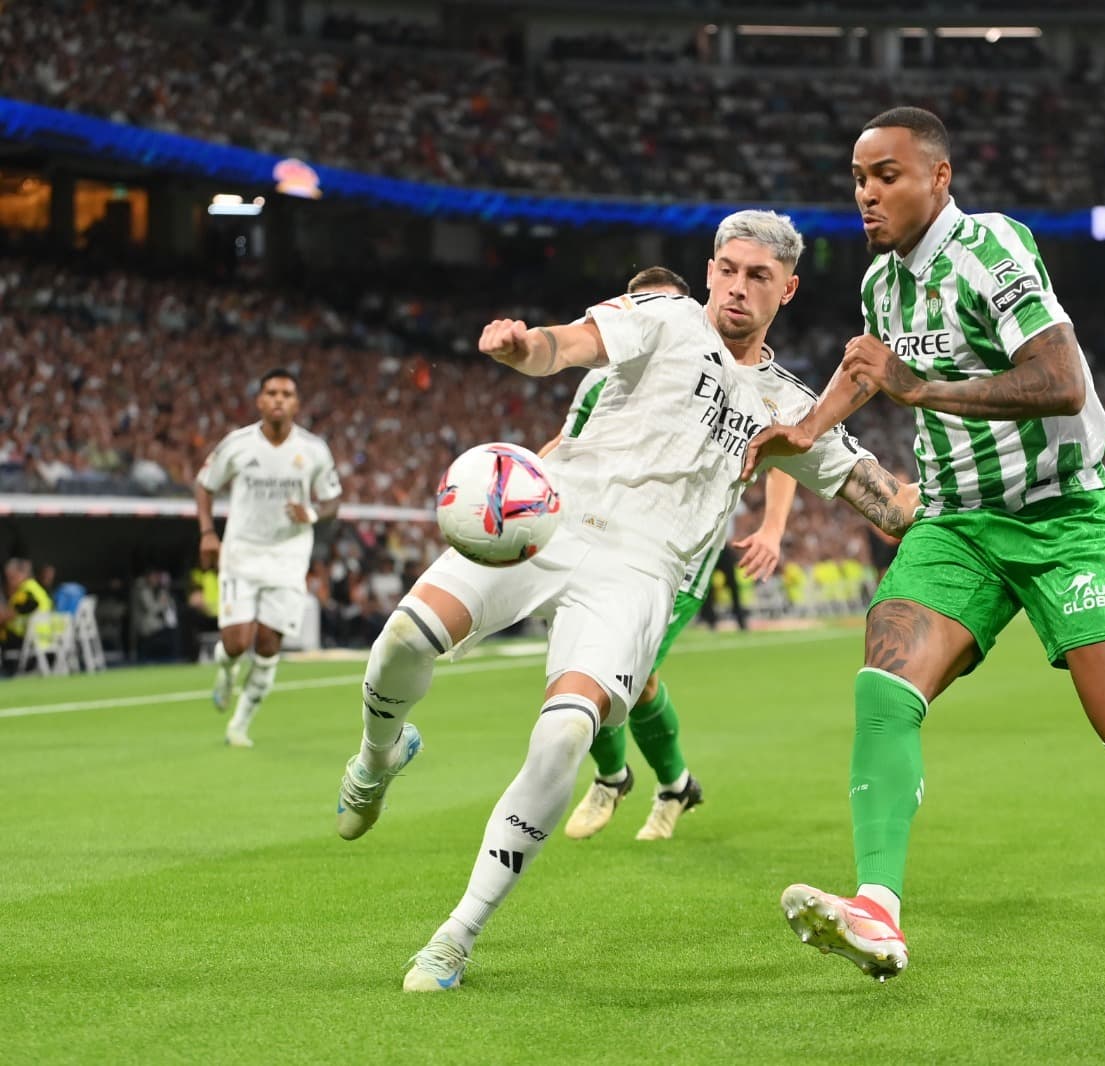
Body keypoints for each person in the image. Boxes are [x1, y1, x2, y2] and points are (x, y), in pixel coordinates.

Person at [744, 107, 1105, 981]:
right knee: (884, 678)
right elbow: (870, 371)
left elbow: (1061, 382)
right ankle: (877, 908)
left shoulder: (993, 250)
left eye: (887, 176)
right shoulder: (881, 286)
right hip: (957, 525)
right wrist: (803, 428)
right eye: (859, 178)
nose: (867, 194)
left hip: (1061, 517)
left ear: (938, 178)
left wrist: (922, 388)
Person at [334, 210, 923, 992]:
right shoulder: (667, 317)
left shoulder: (793, 407)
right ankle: (377, 760)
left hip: (639, 572)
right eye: (728, 268)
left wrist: (971, 464)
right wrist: (524, 347)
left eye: (758, 276)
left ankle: (455, 936)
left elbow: (888, 506)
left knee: (564, 738)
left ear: (789, 288)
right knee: (403, 640)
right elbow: (569, 343)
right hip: (554, 515)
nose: (737, 287)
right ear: (709, 270)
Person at [540, 265, 799, 844]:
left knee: (620, 671)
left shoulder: (724, 375)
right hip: (595, 539)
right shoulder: (600, 377)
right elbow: (567, 444)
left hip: (679, 558)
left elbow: (787, 445)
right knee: (587, 667)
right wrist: (520, 487)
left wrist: (773, 527)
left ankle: (630, 780)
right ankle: (660, 782)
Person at [195, 368, 342, 747]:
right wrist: (208, 533)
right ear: (260, 400)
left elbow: (331, 500)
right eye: (271, 393)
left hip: (288, 557)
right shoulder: (238, 444)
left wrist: (311, 514)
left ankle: (238, 726)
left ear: (296, 403)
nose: (278, 399)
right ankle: (226, 670)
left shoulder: (313, 450)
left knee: (268, 645)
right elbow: (204, 484)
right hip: (241, 552)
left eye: (286, 394)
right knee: (235, 641)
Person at [1, 557, 53, 675]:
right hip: (41, 636)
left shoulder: (27, 590)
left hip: (30, 638)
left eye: (12, 577)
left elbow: (27, 606)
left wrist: (7, 615)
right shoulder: (33, 587)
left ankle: (6, 670)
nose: (9, 580)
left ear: (22, 574)